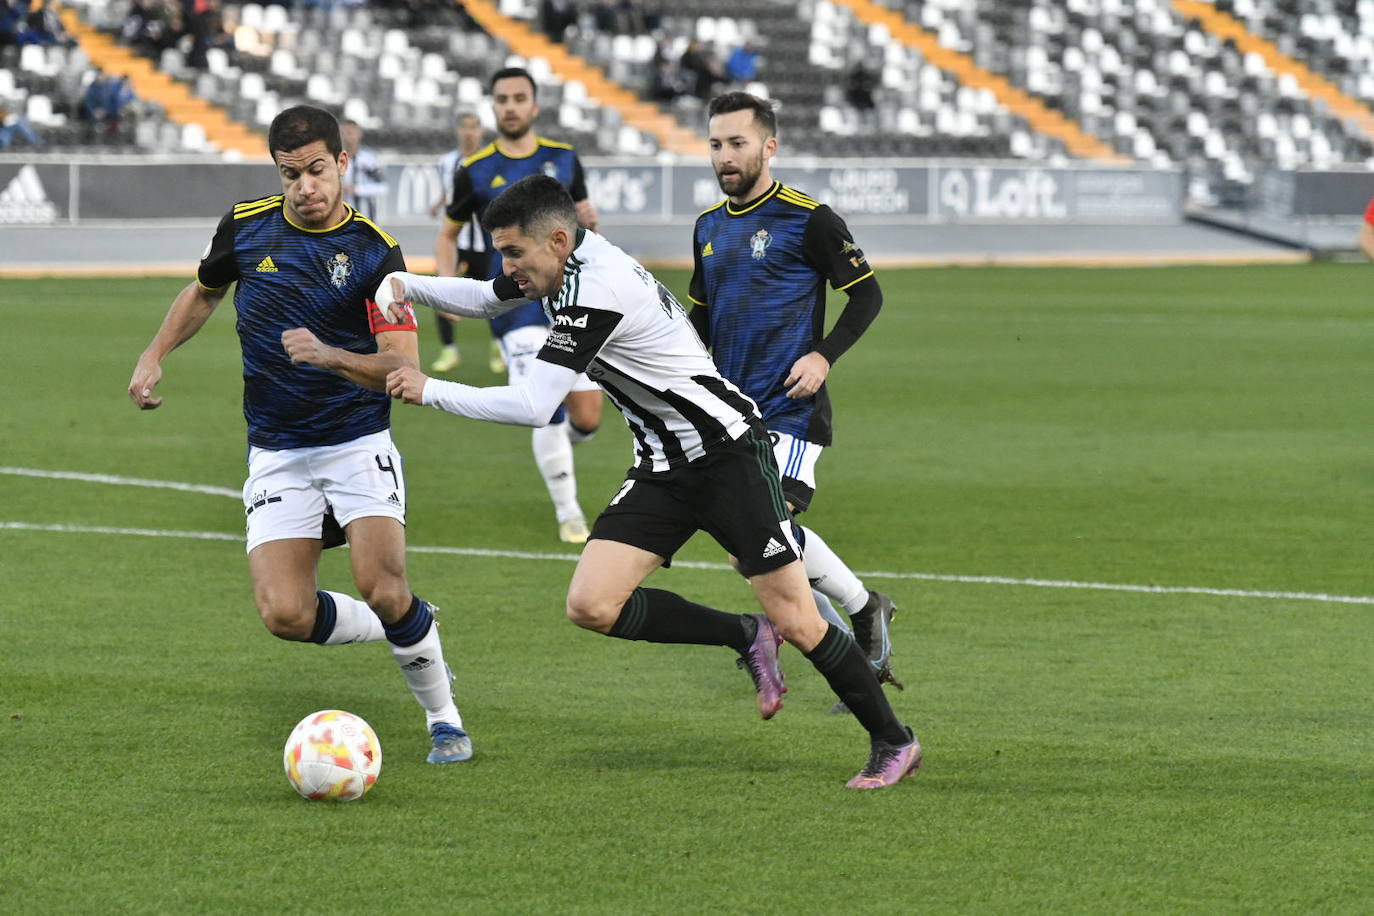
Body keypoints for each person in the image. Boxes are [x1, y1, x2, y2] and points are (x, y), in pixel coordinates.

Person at [380, 174, 922, 789]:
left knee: (800, 617)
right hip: (664, 465)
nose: (508, 267)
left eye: (513, 254)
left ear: (557, 240)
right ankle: (744, 634)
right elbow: (486, 297)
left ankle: (894, 740)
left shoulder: (596, 288)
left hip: (728, 456)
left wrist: (430, 390)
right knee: (591, 604)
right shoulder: (560, 262)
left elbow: (535, 404)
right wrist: (407, 283)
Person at [126, 105, 472, 766]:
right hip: (278, 451)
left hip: (356, 441)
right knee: (284, 613)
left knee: (381, 581)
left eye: (317, 170)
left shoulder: (376, 252)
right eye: (291, 175)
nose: (306, 187)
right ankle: (408, 624)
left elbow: (403, 368)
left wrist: (332, 355)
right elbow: (204, 291)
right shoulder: (247, 227)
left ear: (342, 164)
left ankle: (444, 719)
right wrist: (155, 353)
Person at [687, 91, 901, 713]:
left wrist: (823, 356)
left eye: (737, 143)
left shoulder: (810, 218)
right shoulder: (707, 227)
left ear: (768, 147)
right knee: (747, 551)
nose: (725, 156)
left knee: (758, 540)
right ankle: (857, 630)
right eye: (716, 144)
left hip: (789, 410)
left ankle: (864, 614)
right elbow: (699, 320)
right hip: (729, 415)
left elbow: (867, 296)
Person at [434, 67, 603, 544]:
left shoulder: (565, 160)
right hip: (516, 304)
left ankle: (552, 454)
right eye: (502, 98)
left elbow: (587, 226)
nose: (510, 106)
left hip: (573, 298)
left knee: (586, 418)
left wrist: (593, 231)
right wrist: (448, 284)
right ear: (493, 107)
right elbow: (447, 235)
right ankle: (570, 514)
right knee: (544, 407)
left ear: (534, 107)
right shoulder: (474, 170)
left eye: (518, 98)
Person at [427, 110, 489, 374]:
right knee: (442, 293)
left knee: (499, 294)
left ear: (481, 131)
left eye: (473, 127)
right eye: (464, 127)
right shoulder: (447, 162)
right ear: (458, 131)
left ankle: (501, 346)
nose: (469, 132)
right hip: (457, 241)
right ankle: (449, 351)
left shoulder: (490, 160)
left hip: (486, 242)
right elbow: (450, 190)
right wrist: (439, 203)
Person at [341, 119, 386, 220]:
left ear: (359, 134)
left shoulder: (369, 160)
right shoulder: (336, 159)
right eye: (345, 133)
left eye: (351, 133)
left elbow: (382, 187)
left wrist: (356, 190)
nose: (349, 137)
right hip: (343, 221)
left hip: (366, 221)